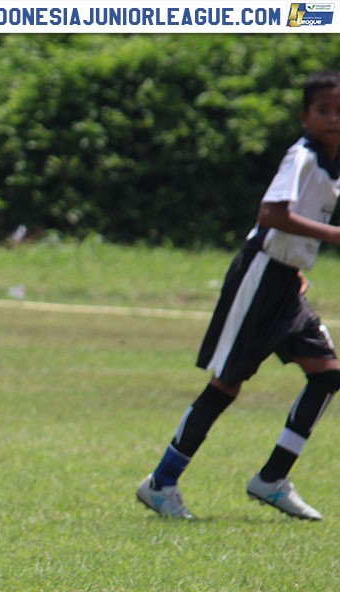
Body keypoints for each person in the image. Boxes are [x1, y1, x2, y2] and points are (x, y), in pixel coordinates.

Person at [137, 70, 340, 521]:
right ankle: (161, 483)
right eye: (323, 110)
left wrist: (298, 265)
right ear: (304, 117)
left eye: (339, 111)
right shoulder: (302, 156)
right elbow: (270, 214)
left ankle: (271, 479)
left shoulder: (332, 163)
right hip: (261, 276)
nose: (333, 119)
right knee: (226, 384)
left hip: (287, 282)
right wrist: (332, 235)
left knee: (328, 374)